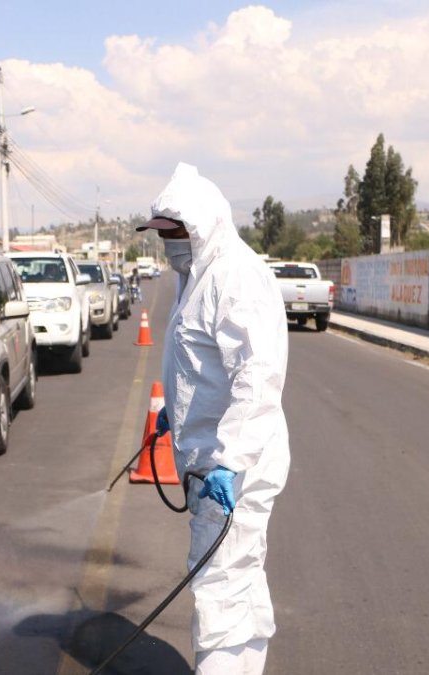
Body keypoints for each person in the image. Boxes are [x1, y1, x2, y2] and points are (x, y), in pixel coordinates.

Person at [138, 162, 290, 674]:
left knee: (219, 588)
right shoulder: (196, 273)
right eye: (161, 235)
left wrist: (230, 459)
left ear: (201, 225)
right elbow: (196, 364)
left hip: (232, 467)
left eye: (174, 233)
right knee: (240, 579)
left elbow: (258, 377)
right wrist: (174, 420)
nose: (167, 245)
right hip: (214, 458)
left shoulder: (234, 276)